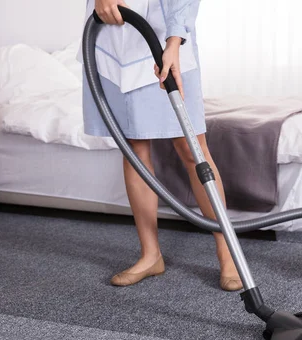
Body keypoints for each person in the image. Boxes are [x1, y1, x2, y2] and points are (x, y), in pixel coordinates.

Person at [82, 0, 243, 291]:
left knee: (192, 148)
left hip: (164, 40)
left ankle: (228, 255)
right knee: (133, 150)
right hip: (111, 43)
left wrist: (175, 40)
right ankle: (150, 255)